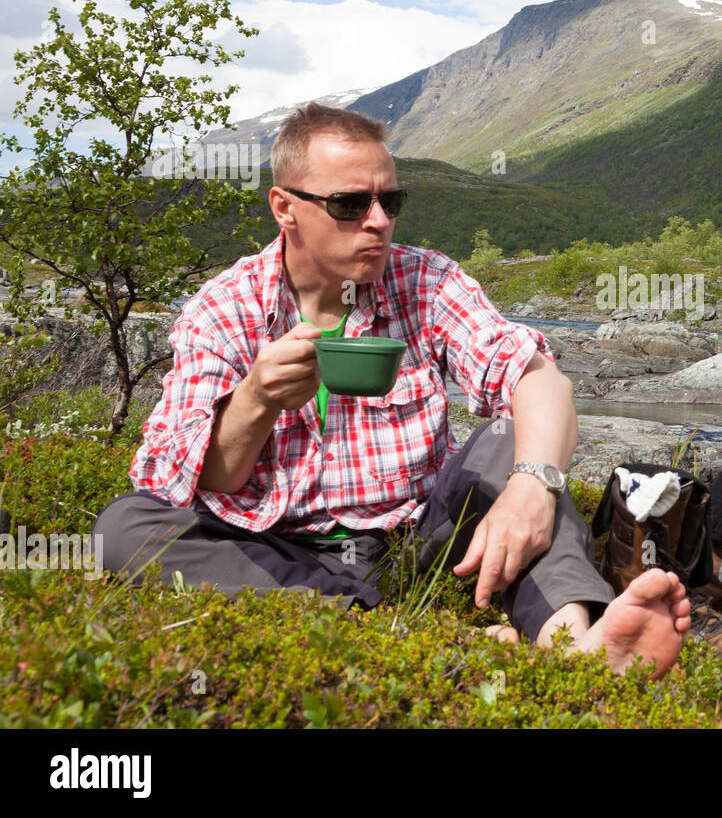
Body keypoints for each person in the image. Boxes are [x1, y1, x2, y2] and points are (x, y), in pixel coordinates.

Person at [94, 102, 690, 679]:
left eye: (390, 200)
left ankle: (574, 641)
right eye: (350, 204)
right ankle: (374, 627)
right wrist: (255, 398)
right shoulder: (224, 309)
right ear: (285, 207)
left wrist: (534, 486)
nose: (377, 220)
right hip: (276, 547)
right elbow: (205, 477)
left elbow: (537, 376)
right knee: (123, 529)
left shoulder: (425, 281)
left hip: (416, 543)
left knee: (512, 442)